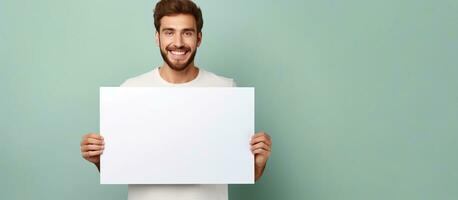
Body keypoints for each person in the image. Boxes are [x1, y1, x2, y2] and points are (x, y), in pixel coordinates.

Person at [80, 0, 272, 199]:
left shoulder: (225, 89)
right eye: (169, 32)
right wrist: (98, 159)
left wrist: (258, 163)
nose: (178, 42)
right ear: (158, 38)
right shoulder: (130, 90)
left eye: (187, 33)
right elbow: (121, 166)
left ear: (199, 38)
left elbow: (244, 172)